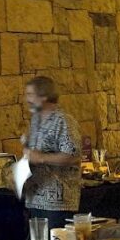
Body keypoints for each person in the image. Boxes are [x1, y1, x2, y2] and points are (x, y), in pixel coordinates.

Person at [22, 76, 82, 230]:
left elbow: (73, 155)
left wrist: (41, 158)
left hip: (58, 205)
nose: (27, 99)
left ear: (44, 96)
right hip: (35, 199)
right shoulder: (35, 120)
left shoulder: (64, 121)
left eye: (30, 94)